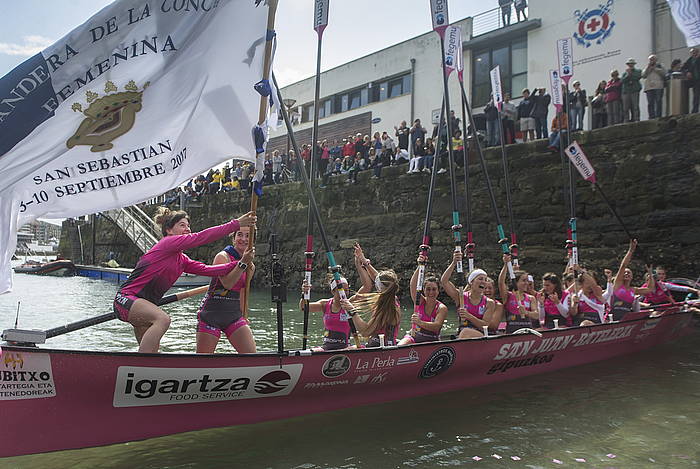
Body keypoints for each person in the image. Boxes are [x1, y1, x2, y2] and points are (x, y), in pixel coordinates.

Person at [113, 207, 257, 353]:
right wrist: (235, 224)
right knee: (163, 319)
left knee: (151, 351)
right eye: (182, 225)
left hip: (142, 307)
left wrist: (241, 263)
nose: (187, 229)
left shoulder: (182, 260)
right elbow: (201, 237)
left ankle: (146, 370)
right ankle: (142, 366)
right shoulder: (167, 243)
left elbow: (210, 270)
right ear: (169, 230)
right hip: (125, 299)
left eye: (188, 225)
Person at [196, 227, 256, 353]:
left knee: (251, 355)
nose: (243, 239)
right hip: (211, 314)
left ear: (252, 241)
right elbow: (227, 284)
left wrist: (244, 315)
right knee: (202, 361)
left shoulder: (251, 266)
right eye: (239, 235)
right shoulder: (222, 257)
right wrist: (243, 262)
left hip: (233, 315)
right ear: (233, 238)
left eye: (248, 236)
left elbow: (243, 291)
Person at [440, 251, 497, 338]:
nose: (484, 282)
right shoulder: (461, 297)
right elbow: (444, 281)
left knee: (466, 332)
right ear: (471, 282)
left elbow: (485, 325)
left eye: (485, 279)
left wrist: (468, 316)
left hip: (480, 334)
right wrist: (454, 262)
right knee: (464, 332)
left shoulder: (489, 302)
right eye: (480, 279)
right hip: (462, 334)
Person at [341, 270, 402, 348]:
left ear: (379, 287)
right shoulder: (392, 300)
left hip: (381, 351)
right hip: (379, 346)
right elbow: (382, 283)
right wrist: (364, 265)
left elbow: (365, 332)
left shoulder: (386, 309)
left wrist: (352, 311)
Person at [397, 255, 448, 345]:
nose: (431, 292)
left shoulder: (441, 308)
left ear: (438, 291)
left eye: (434, 289)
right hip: (414, 336)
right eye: (428, 289)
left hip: (431, 340)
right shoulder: (420, 301)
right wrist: (420, 266)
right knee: (401, 345)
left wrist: (419, 322)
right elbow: (413, 285)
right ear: (423, 290)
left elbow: (436, 326)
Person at [609, 239, 654, 321]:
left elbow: (650, 289)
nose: (626, 274)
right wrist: (631, 250)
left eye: (629, 273)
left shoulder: (633, 290)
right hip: (614, 317)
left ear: (632, 276)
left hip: (627, 318)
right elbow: (623, 266)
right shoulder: (618, 284)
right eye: (625, 273)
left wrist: (650, 273)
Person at [498, 254, 538, 333]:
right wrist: (506, 264)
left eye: (527, 280)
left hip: (528, 331)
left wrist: (526, 312)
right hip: (512, 333)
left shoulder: (531, 298)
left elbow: (536, 315)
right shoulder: (508, 296)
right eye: (523, 280)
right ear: (515, 282)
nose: (527, 283)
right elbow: (501, 282)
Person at [642, 55, 666, 119]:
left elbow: (664, 74)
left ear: (656, 60)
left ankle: (658, 115)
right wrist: (648, 67)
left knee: (658, 101)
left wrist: (655, 69)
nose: (651, 61)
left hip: (658, 86)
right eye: (650, 59)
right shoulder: (647, 67)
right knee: (650, 102)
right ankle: (651, 116)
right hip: (649, 87)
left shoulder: (660, 66)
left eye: (653, 59)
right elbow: (643, 75)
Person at [681, 48, 700, 113]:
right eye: (692, 53)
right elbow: (683, 68)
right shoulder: (690, 60)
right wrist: (687, 73)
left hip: (698, 79)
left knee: (696, 95)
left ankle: (695, 110)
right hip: (694, 80)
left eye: (695, 52)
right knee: (695, 95)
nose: (694, 54)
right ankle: (692, 110)